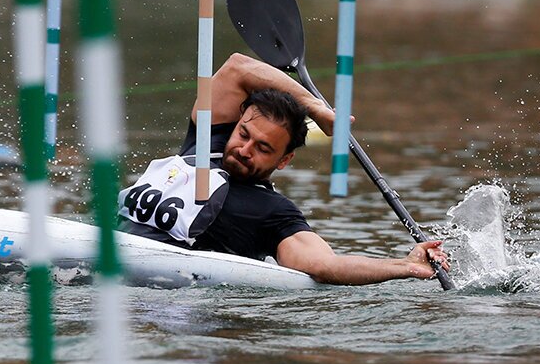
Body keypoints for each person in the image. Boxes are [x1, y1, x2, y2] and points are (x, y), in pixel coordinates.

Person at [119, 53, 449, 285]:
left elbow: (325, 266)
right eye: (244, 134)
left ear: (283, 161)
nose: (245, 150)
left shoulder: (273, 213)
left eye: (263, 148)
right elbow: (237, 67)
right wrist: (317, 110)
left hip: (159, 295)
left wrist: (404, 266)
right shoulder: (208, 139)